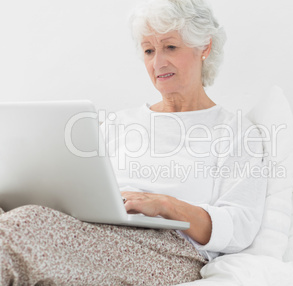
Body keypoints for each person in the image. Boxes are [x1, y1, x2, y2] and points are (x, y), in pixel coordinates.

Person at [0, 0, 267, 285]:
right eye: (149, 50)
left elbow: (241, 225)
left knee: (21, 227)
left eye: (170, 47)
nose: (158, 63)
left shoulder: (235, 131)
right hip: (91, 230)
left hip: (169, 252)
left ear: (205, 47)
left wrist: (166, 205)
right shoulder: (118, 123)